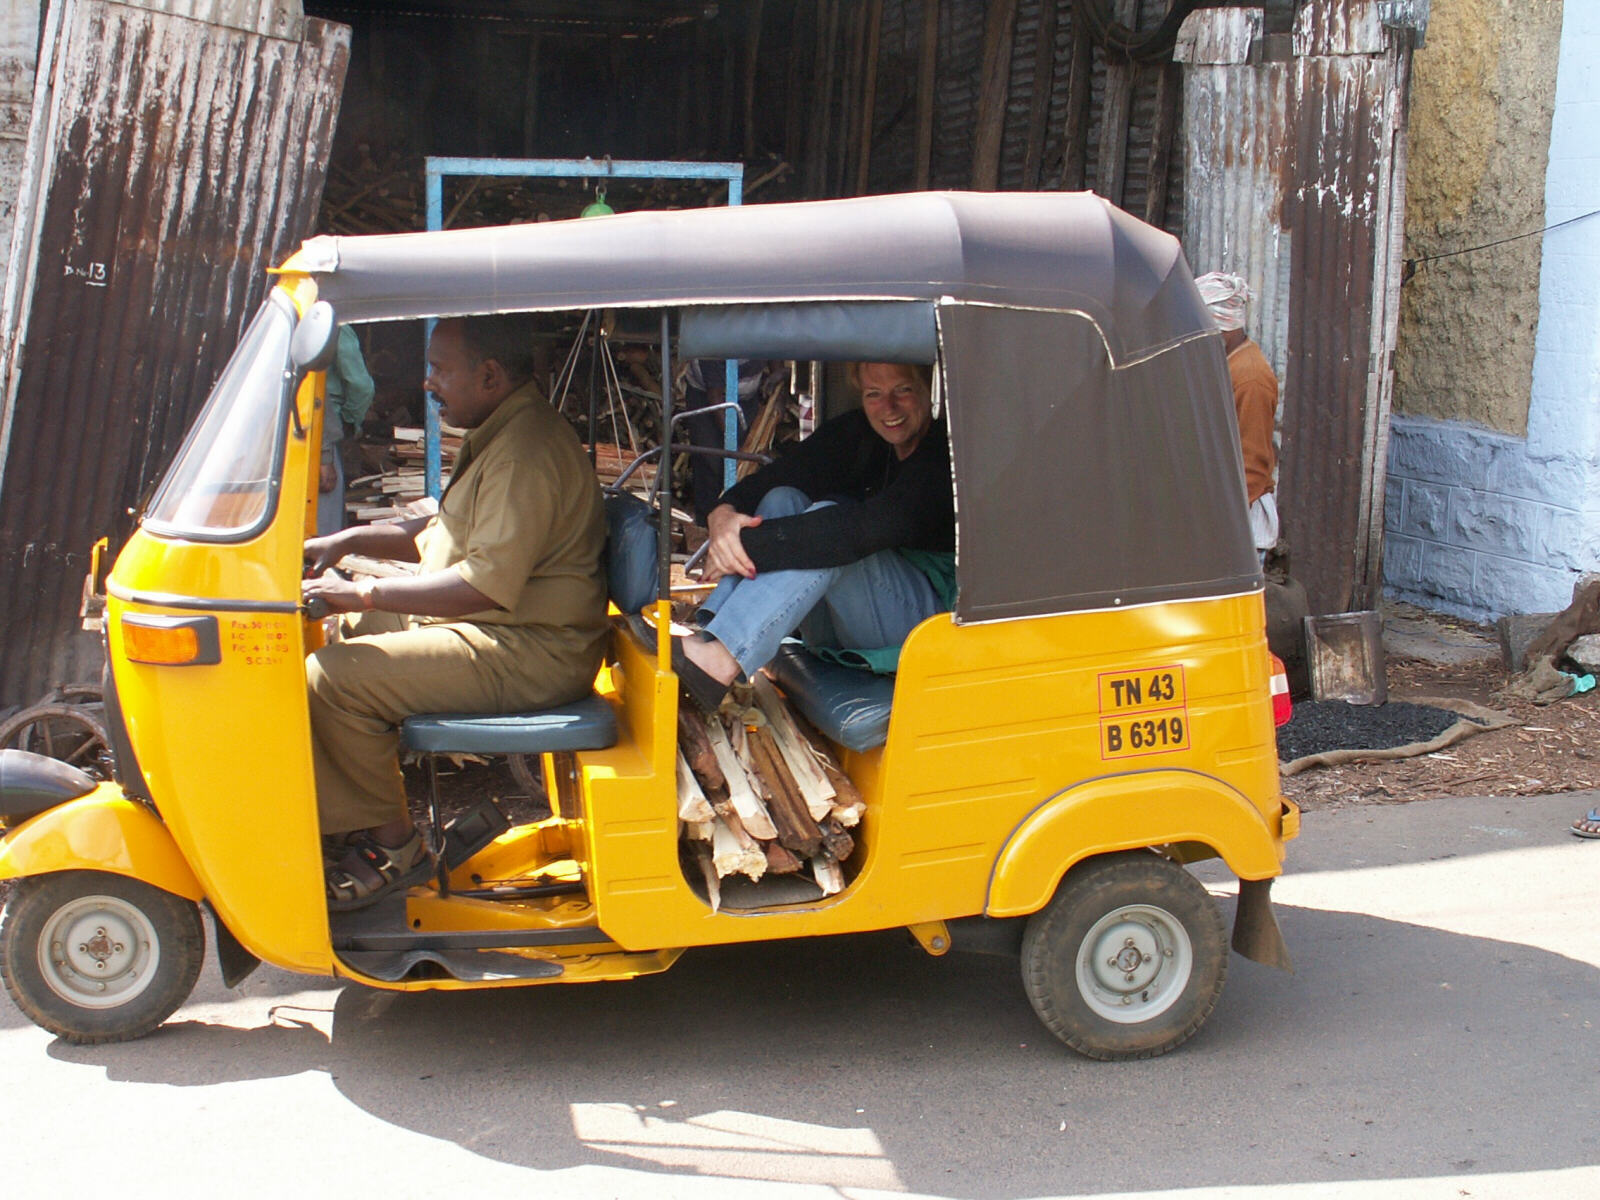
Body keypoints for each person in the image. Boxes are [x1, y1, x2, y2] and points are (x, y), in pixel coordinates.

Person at [302, 315, 608, 910]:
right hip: (498, 629)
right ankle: (341, 820)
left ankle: (395, 850)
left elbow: (483, 584)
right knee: (329, 635)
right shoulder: (503, 429)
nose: (428, 382)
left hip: (530, 649)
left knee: (335, 679)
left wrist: (365, 593)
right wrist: (347, 543)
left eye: (440, 369)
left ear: (489, 374)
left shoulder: (524, 453)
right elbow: (442, 531)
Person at [674, 361, 955, 711]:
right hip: (851, 621)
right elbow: (778, 476)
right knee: (783, 499)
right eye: (874, 394)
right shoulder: (860, 432)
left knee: (827, 528)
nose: (889, 408)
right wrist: (723, 516)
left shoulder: (943, 456)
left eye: (903, 390)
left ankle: (721, 660)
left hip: (922, 632)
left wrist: (740, 547)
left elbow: (866, 530)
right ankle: (715, 632)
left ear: (928, 391)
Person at [1196, 271, 1279, 562]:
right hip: (1222, 513)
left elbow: (1252, 468)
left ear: (1222, 327)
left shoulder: (1250, 377)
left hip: (1238, 524)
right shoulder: (1227, 363)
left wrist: (1214, 525)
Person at [682, 358, 768, 522]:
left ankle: (741, 520)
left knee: (746, 468)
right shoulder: (716, 340)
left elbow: (776, 345)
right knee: (712, 465)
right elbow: (715, 396)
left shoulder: (765, 333)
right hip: (707, 397)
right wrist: (734, 442)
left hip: (747, 395)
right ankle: (706, 524)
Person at [316, 325, 376, 536]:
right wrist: (350, 420)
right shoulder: (335, 326)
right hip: (322, 431)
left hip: (304, 430)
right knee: (326, 523)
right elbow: (361, 386)